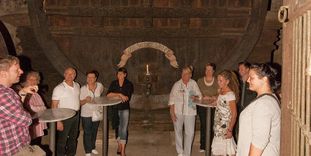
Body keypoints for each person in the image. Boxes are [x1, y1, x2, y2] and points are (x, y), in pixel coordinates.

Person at [0, 55, 44, 155]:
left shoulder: (8, 91)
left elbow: (17, 109)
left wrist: (23, 93)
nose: (21, 71)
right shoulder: (3, 95)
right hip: (11, 151)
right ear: (3, 74)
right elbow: (26, 120)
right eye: (17, 70)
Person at [237, 63, 280, 156]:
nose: (248, 80)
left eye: (251, 78)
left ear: (264, 79)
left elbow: (259, 141)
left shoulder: (263, 104)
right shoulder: (268, 98)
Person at [169, 66, 202, 156]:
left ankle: (187, 153)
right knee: (178, 131)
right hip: (178, 112)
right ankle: (180, 152)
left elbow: (200, 95)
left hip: (190, 112)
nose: (184, 75)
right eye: (183, 73)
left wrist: (195, 97)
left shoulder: (193, 83)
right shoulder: (177, 85)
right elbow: (171, 100)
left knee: (190, 133)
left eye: (187, 74)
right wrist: (172, 113)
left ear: (190, 75)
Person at [51, 67, 80, 156]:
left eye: (72, 74)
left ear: (75, 75)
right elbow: (54, 105)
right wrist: (58, 121)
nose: (70, 75)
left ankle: (71, 154)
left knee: (73, 137)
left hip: (76, 115)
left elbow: (76, 100)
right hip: (64, 117)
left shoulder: (77, 85)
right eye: (68, 73)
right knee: (62, 140)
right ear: (64, 74)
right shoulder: (59, 88)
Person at [211, 70, 239, 156]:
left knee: (228, 151)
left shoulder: (230, 95)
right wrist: (215, 103)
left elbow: (234, 114)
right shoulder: (221, 91)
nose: (218, 82)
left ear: (227, 81)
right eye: (218, 80)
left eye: (221, 80)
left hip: (225, 127)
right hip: (218, 125)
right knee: (220, 152)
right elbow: (220, 103)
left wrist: (230, 130)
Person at [107, 67, 134, 156]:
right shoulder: (113, 83)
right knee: (117, 127)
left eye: (122, 74)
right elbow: (108, 95)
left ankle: (122, 150)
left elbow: (127, 98)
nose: (120, 75)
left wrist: (115, 96)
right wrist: (119, 94)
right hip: (114, 109)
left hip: (124, 109)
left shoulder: (129, 84)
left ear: (125, 75)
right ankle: (119, 145)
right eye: (118, 74)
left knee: (124, 129)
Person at [80, 70, 104, 156]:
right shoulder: (82, 89)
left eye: (92, 77)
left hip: (97, 112)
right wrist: (85, 100)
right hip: (86, 113)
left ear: (95, 78)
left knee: (94, 131)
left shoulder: (100, 86)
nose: (89, 79)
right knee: (87, 132)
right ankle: (87, 151)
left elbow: (101, 93)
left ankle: (92, 147)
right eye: (88, 77)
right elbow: (79, 103)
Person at [196, 63, 218, 152]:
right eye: (206, 69)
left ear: (213, 71)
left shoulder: (217, 80)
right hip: (202, 106)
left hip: (214, 106)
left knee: (213, 125)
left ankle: (211, 145)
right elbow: (196, 92)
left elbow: (220, 92)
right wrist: (202, 96)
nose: (208, 71)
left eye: (210, 70)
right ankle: (203, 145)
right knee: (203, 125)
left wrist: (213, 97)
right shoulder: (200, 81)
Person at [21, 71, 47, 145]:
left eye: (35, 80)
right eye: (30, 79)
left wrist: (41, 108)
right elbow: (30, 108)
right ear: (26, 80)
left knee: (37, 144)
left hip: (38, 123)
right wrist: (41, 108)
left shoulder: (36, 94)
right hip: (30, 125)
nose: (33, 82)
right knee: (30, 146)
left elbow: (44, 107)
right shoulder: (24, 93)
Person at [235, 61, 257, 140]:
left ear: (247, 69)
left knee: (248, 129)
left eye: (242, 69)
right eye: (239, 69)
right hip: (239, 108)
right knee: (238, 128)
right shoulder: (237, 81)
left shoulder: (253, 81)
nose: (239, 71)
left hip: (249, 109)